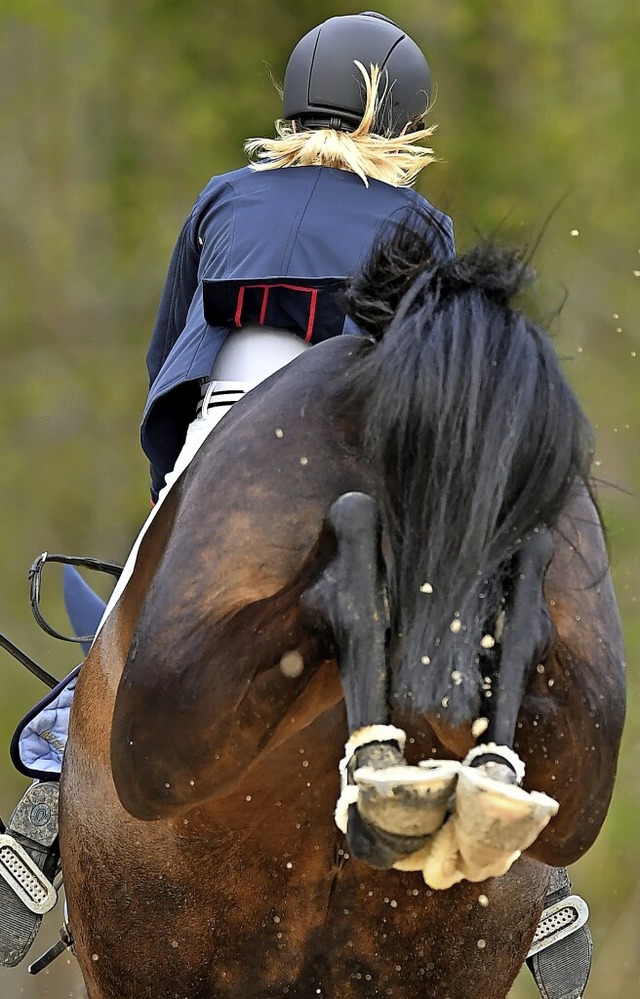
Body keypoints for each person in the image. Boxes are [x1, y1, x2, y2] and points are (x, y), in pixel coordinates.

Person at [0, 10, 454, 968]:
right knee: (459, 633)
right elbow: (441, 393)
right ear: (401, 116)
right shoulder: (421, 223)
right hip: (352, 453)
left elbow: (171, 352)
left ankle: (43, 808)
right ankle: (537, 873)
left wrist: (177, 482)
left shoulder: (222, 198)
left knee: (134, 609)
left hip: (225, 432)